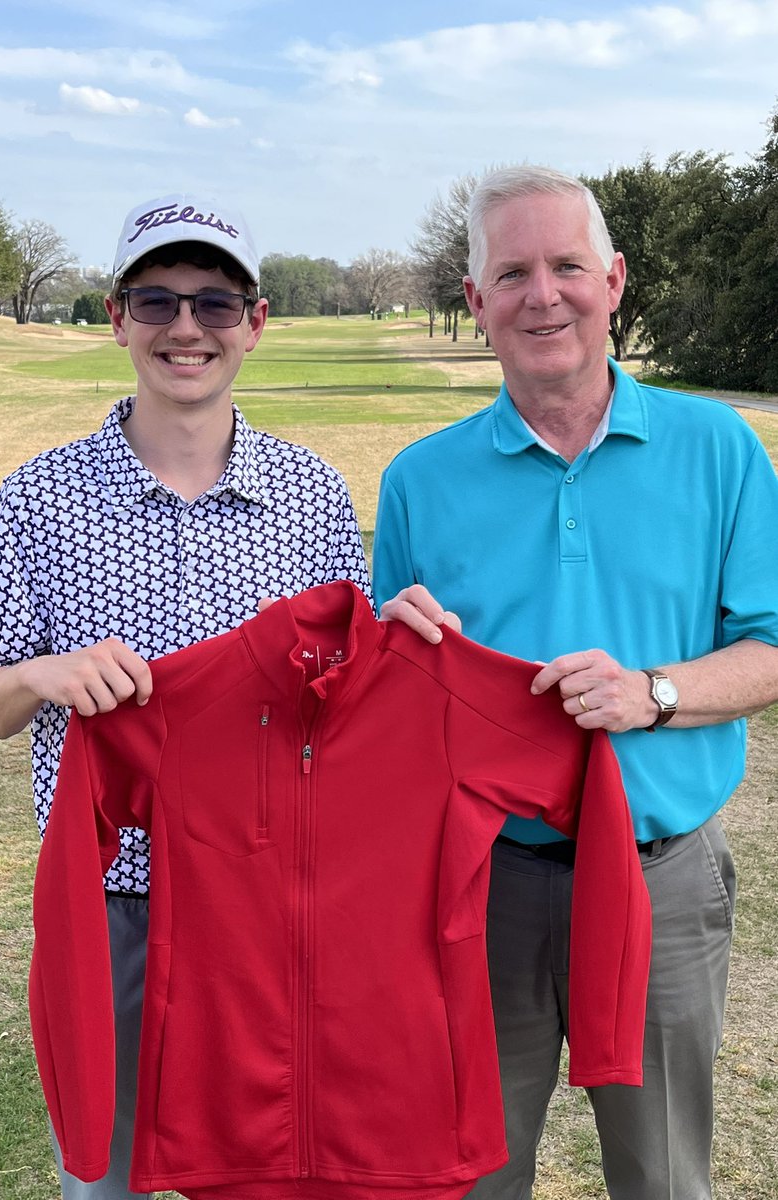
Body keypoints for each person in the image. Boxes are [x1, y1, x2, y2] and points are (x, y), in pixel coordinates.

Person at [0, 191, 379, 1200]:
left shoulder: (312, 494)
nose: (187, 328)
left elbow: (347, 711)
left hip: (271, 902)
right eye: (157, 301)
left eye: (214, 303)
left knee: (275, 1171)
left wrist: (388, 642)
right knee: (106, 1178)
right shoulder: (41, 497)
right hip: (111, 908)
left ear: (255, 323)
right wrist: (41, 675)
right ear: (117, 318)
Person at [374, 165, 778, 1200]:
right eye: (512, 274)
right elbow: (387, 708)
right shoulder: (420, 479)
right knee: (468, 1173)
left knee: (664, 1176)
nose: (542, 295)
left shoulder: (719, 449)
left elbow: (770, 647)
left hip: (661, 880)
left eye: (566, 266)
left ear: (615, 280)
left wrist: (654, 694)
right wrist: (393, 659)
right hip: (484, 884)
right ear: (476, 301)